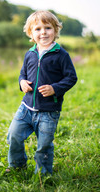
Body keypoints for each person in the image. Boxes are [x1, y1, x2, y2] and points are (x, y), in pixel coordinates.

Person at [7, 10, 77, 175]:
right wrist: (22, 82)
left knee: (44, 145)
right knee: (14, 135)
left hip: (48, 111)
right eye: (37, 29)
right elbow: (22, 74)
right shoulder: (30, 54)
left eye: (48, 28)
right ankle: (17, 166)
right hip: (26, 107)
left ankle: (43, 175)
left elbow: (71, 77)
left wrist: (55, 88)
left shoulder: (61, 55)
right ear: (31, 33)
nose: (43, 32)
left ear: (55, 30)